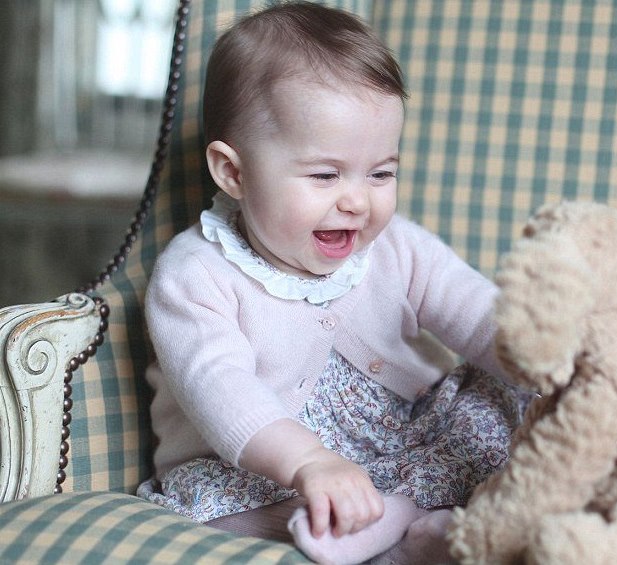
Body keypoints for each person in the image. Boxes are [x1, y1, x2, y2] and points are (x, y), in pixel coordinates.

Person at [137, 2, 529, 564]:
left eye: (381, 173)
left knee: (502, 403)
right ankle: (393, 531)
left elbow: (476, 311)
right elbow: (219, 386)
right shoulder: (195, 275)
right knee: (225, 506)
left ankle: (408, 515)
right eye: (325, 175)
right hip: (267, 464)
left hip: (406, 432)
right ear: (234, 172)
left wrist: (543, 359)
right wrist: (309, 462)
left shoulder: (396, 247)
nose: (357, 201)